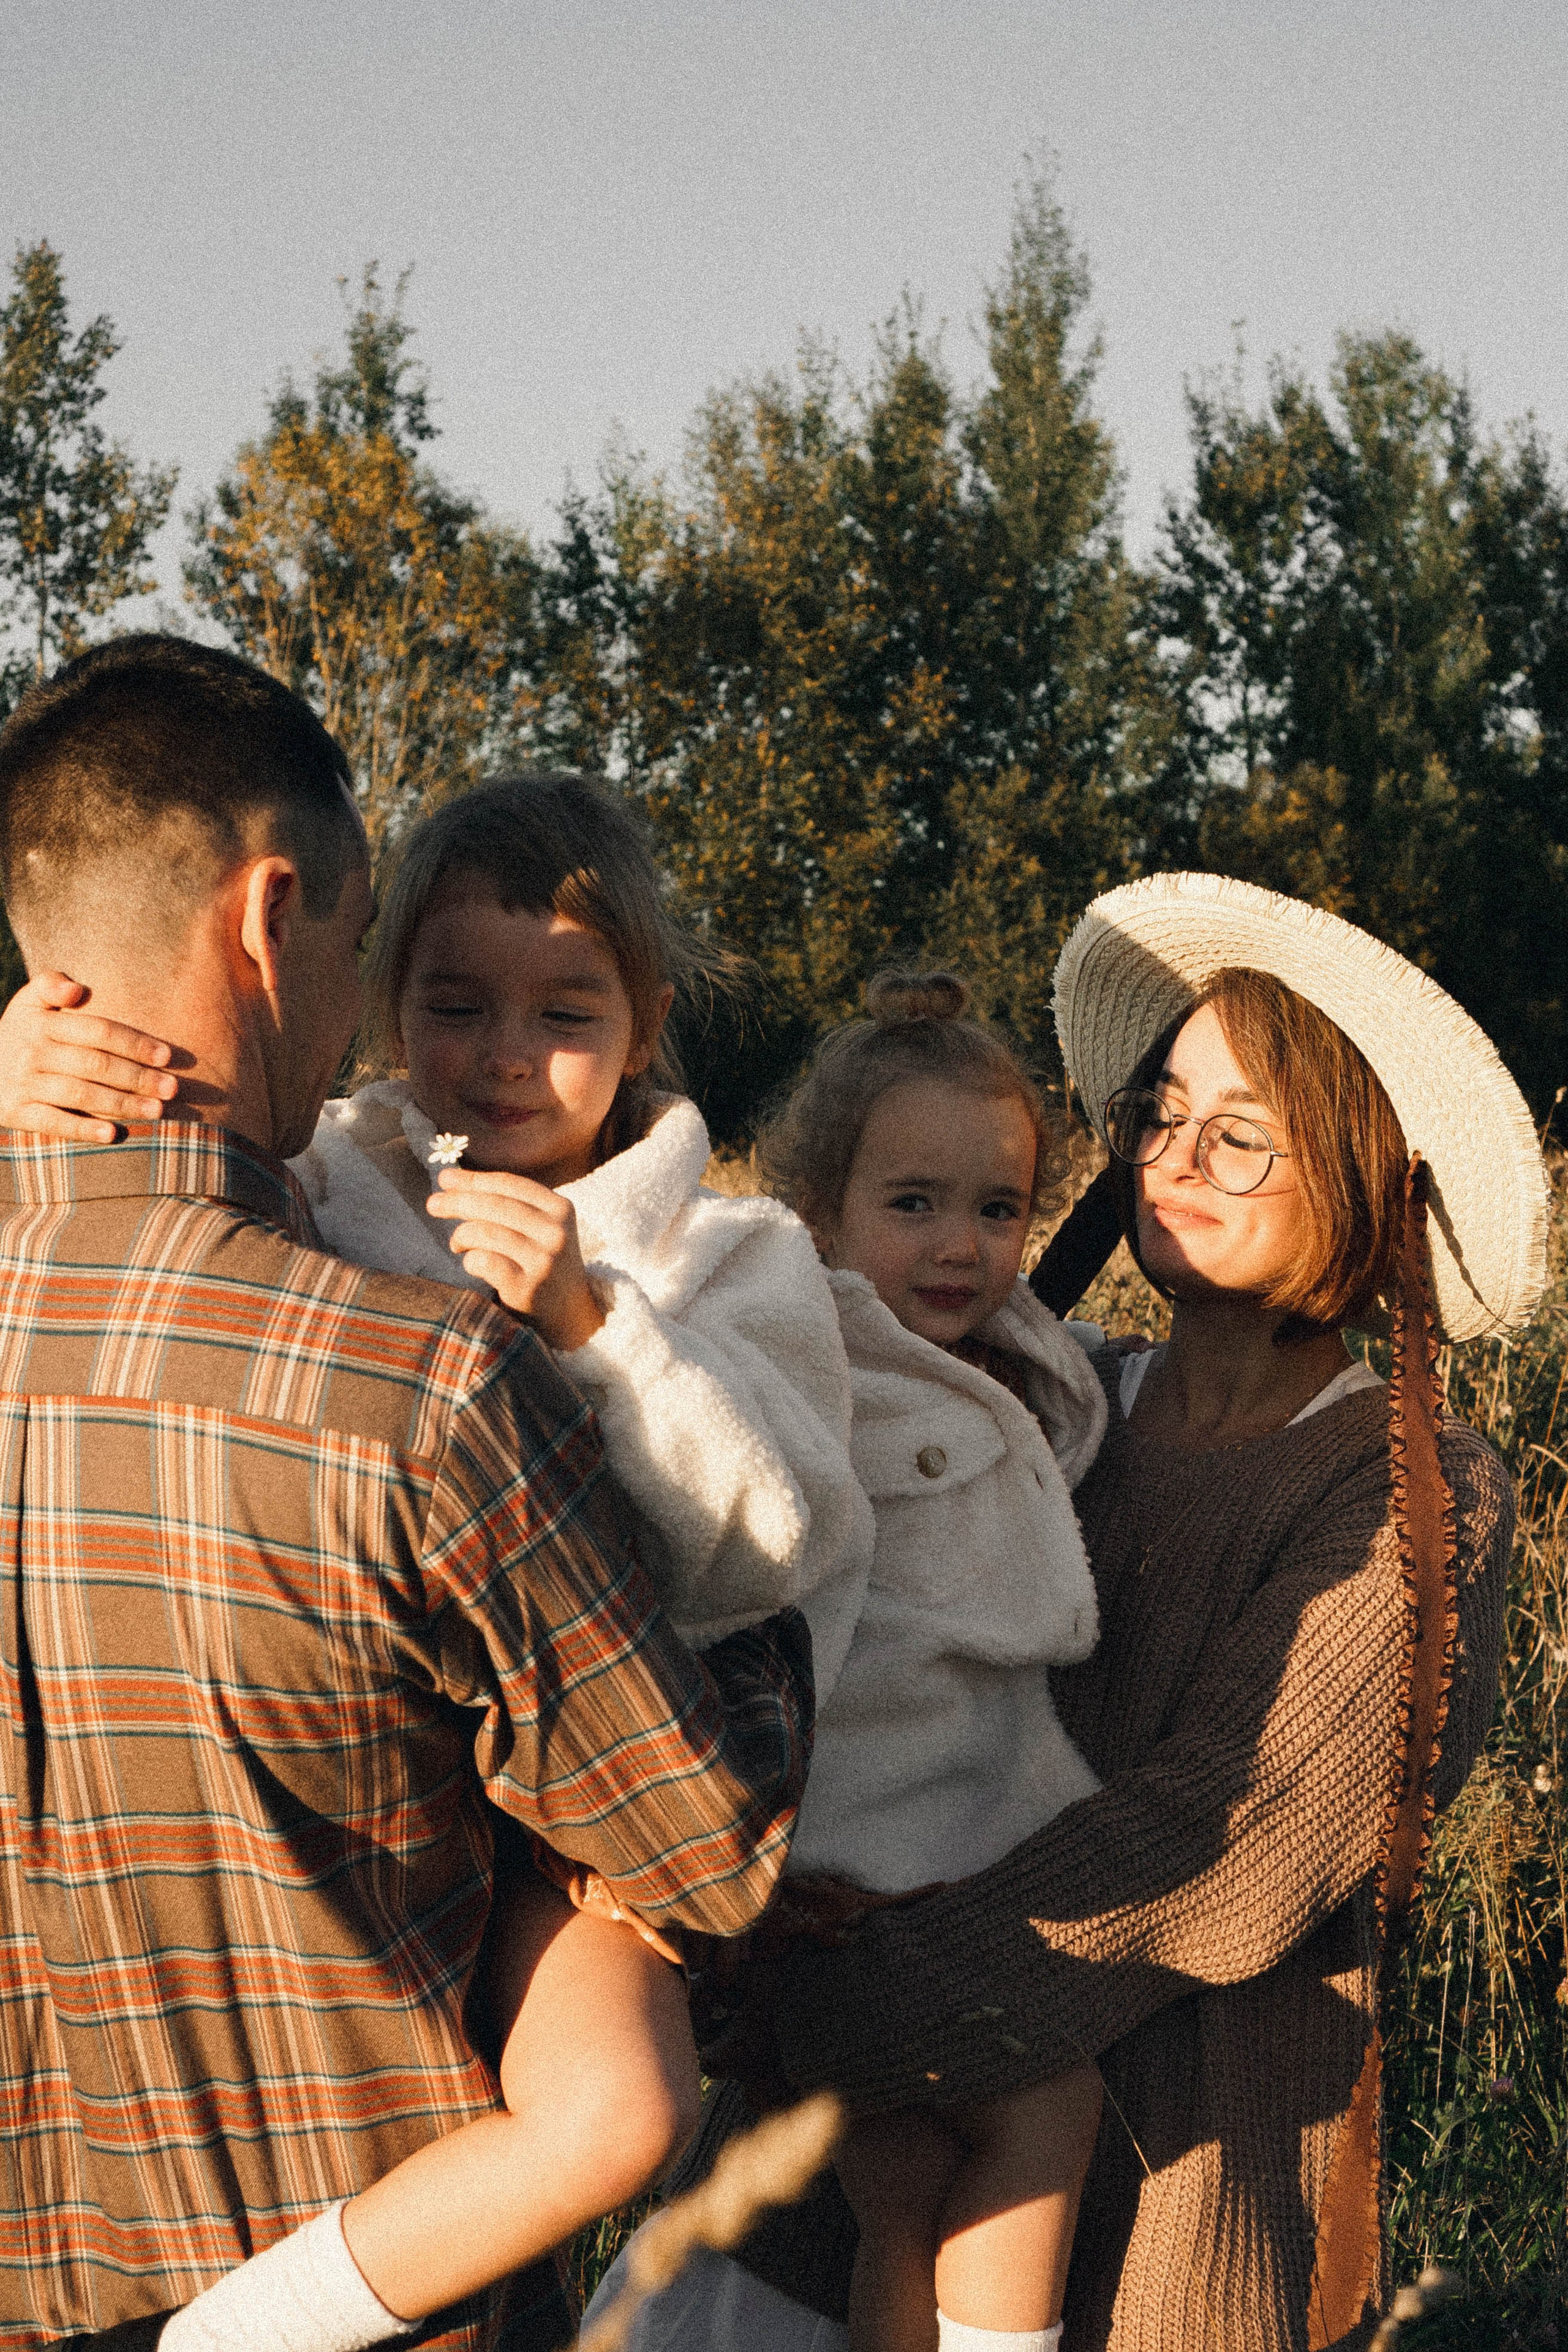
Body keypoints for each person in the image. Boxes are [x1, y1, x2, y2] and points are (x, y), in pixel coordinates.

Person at [586, 873, 1545, 2352]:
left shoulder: (1412, 1490)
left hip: (1149, 2217)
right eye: (1162, 1115)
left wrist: (840, 2011)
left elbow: (1221, 1847)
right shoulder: (1037, 1400)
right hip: (819, 2193)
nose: (1175, 1161)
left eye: (1239, 1136)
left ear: (1359, 1172)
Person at [0, 636, 812, 2351]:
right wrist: (773, 1671)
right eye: (375, 950)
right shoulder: (415, 1385)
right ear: (270, 913)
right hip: (373, 2296)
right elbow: (706, 1849)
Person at [744, 971, 1109, 2352]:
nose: (961, 1245)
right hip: (881, 1864)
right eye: (912, 1205)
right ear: (818, 1217)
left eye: (998, 1208)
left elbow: (1049, 1409)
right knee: (1044, 2104)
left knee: (902, 2189)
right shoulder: (813, 1377)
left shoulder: (1004, 1361)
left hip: (908, 1856)